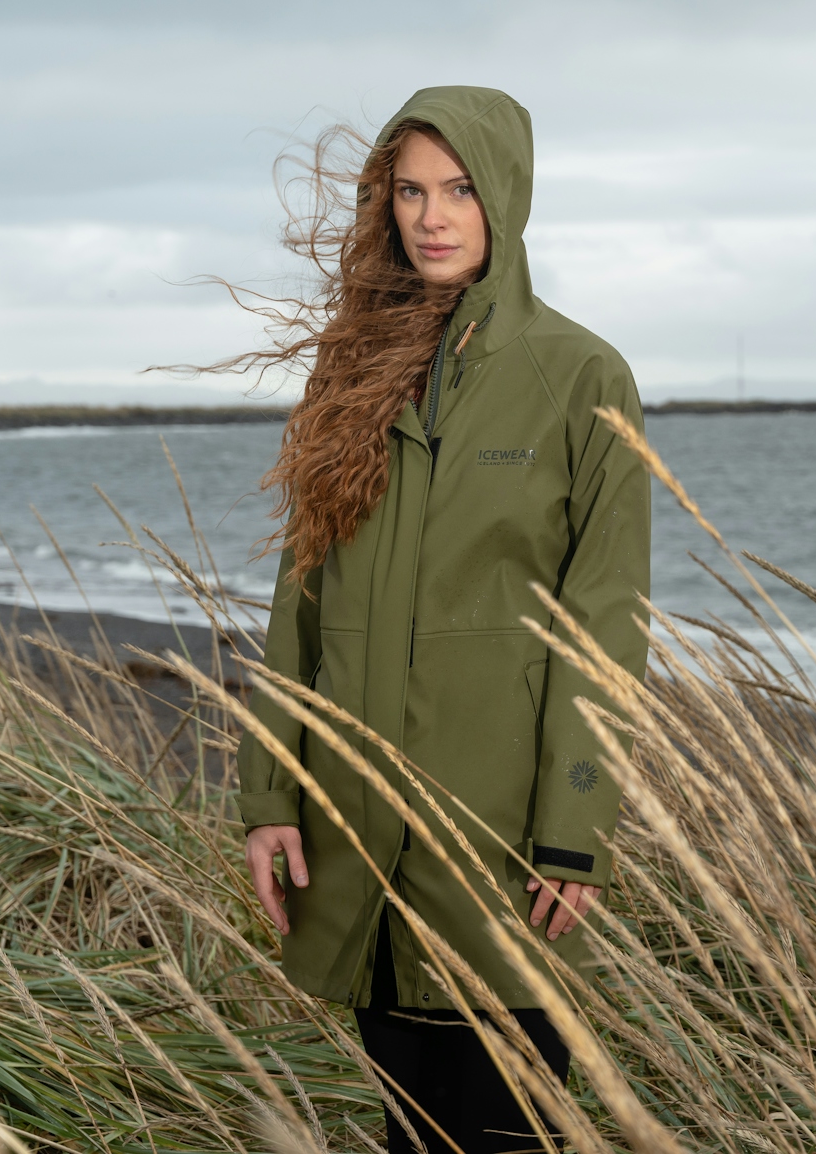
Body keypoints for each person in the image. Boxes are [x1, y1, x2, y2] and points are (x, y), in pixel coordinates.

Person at [229, 86, 651, 1154]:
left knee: (510, 1132)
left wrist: (574, 833)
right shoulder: (349, 368)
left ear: (504, 194)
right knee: (407, 1129)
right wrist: (273, 789)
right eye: (410, 190)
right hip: (360, 826)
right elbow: (301, 598)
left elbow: (603, 623)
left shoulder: (579, 373)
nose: (432, 215)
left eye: (458, 188)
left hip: (498, 838)